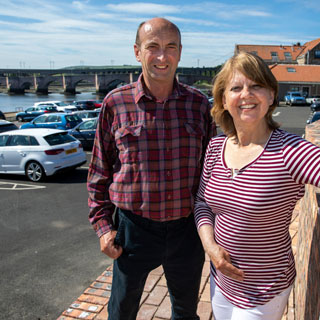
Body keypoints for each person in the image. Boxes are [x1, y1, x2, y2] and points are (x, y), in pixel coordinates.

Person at [87, 17, 216, 320]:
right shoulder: (114, 103)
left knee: (186, 313)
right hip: (133, 230)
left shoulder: (198, 104)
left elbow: (211, 170)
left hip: (187, 230)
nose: (162, 56)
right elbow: (98, 172)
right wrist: (103, 228)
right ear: (137, 52)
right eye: (152, 47)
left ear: (180, 52)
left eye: (170, 47)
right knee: (121, 311)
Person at [194, 51, 320, 320]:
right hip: (221, 280)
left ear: (271, 95)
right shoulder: (215, 148)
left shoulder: (290, 151)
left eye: (256, 86)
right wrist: (210, 245)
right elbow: (202, 203)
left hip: (264, 291)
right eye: (236, 87)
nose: (246, 94)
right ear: (224, 100)